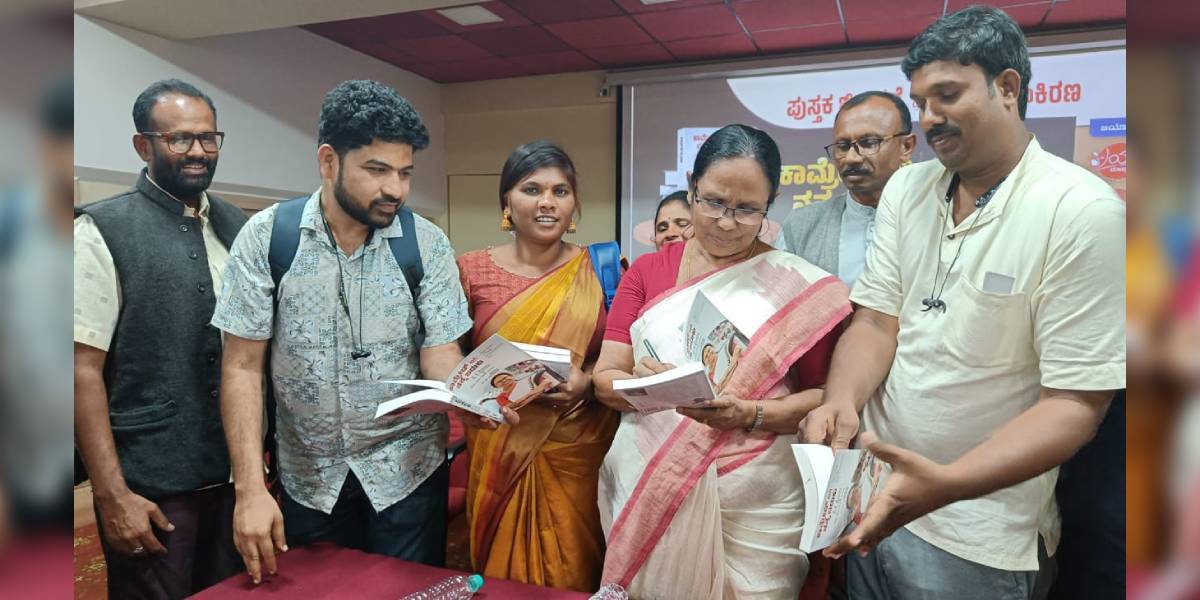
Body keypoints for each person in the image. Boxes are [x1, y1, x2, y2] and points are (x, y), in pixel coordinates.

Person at [800, 6, 1125, 599]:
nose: (929, 118)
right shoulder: (907, 186)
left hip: (979, 531)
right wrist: (841, 401)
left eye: (947, 95)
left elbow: (1077, 403)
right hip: (872, 499)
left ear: (1008, 88)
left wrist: (944, 484)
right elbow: (876, 321)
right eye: (921, 101)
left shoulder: (1079, 210)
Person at [212, 80, 479, 584]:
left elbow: (439, 354)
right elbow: (242, 367)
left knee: (411, 592)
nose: (395, 189)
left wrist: (473, 393)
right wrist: (249, 488)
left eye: (404, 172)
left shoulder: (426, 243)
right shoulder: (270, 237)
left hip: (408, 473)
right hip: (309, 479)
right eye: (376, 170)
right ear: (329, 161)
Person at [593, 124, 851, 599]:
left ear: (770, 204)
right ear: (692, 187)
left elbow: (828, 398)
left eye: (747, 209)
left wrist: (751, 414)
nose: (727, 222)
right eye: (712, 202)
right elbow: (605, 378)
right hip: (648, 477)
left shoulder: (795, 285)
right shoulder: (649, 271)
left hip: (757, 505)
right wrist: (641, 387)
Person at [74, 79, 247, 598]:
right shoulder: (102, 228)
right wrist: (111, 496)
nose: (198, 151)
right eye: (180, 139)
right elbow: (80, 370)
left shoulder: (240, 228)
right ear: (143, 145)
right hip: (150, 487)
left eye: (209, 138)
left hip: (236, 477)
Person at [455, 140, 620, 592]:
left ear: (575, 204)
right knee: (502, 578)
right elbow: (450, 357)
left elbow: (618, 357)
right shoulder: (469, 271)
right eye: (532, 189)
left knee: (575, 568)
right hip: (500, 444)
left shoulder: (605, 267)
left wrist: (587, 385)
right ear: (506, 201)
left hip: (580, 448)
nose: (547, 202)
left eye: (560, 191)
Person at [782, 91, 916, 286]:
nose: (852, 158)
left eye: (869, 143)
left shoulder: (936, 217)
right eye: (843, 146)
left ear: (906, 146)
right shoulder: (800, 226)